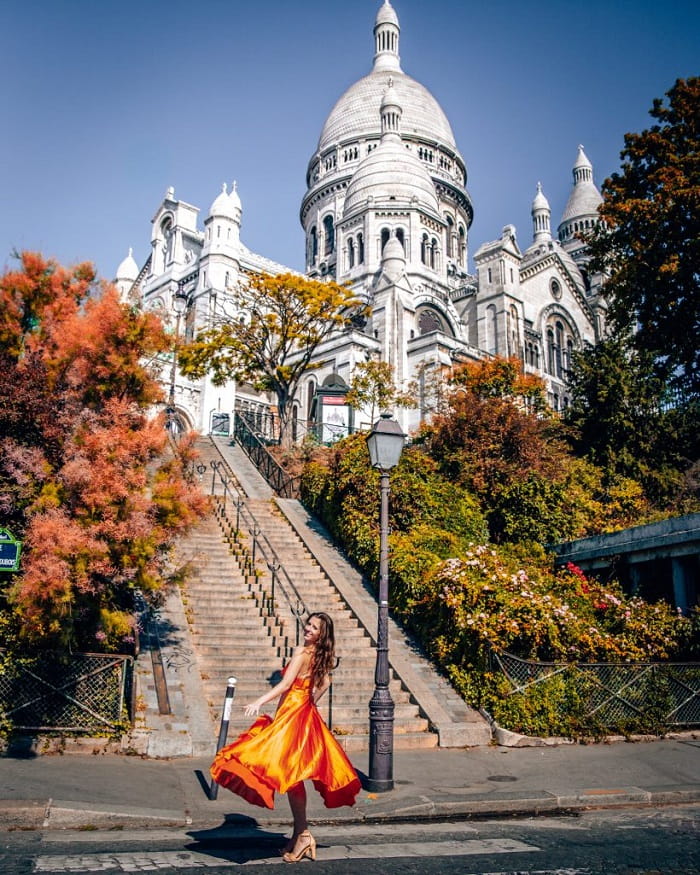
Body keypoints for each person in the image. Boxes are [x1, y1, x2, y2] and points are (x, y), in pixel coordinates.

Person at [210, 612, 361, 863]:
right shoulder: (319, 656)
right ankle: (299, 835)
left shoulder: (302, 654)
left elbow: (284, 685)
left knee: (275, 766)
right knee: (293, 776)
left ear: (321, 634)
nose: (308, 629)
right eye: (308, 624)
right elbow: (324, 684)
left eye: (314, 627)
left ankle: (302, 835)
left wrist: (258, 702)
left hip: (292, 715)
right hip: (303, 713)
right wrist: (309, 702)